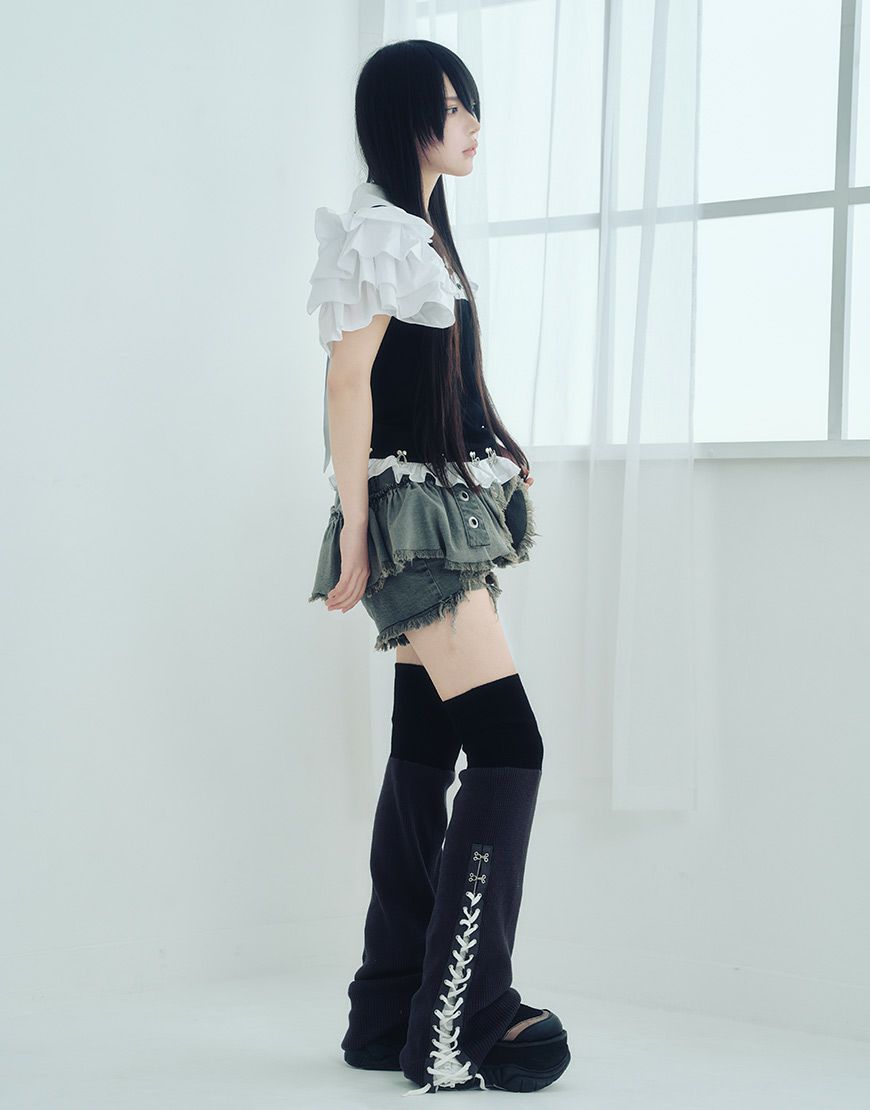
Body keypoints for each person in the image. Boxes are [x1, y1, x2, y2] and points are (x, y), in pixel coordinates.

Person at [306, 39, 571, 1095]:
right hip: (411, 520)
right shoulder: (383, 231)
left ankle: (391, 1005)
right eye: (453, 107)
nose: (471, 125)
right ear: (407, 117)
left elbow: (433, 378)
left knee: (427, 743)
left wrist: (494, 441)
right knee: (510, 748)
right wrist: (358, 527)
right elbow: (349, 382)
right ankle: (463, 1018)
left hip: (437, 507)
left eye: (471, 105)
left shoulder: (414, 231)